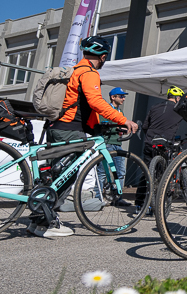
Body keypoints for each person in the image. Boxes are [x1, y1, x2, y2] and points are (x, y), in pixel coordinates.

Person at [36, 35, 140, 238]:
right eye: (105, 57)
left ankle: (39, 219)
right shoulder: (89, 73)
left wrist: (99, 127)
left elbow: (83, 107)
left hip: (59, 126)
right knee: (66, 175)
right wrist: (121, 119)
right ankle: (45, 221)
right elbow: (95, 102)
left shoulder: (75, 70)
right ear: (102, 56)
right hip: (68, 129)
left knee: (57, 173)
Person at [97, 87, 129, 184]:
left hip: (118, 144)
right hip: (107, 143)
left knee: (121, 172)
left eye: (124, 97)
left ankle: (118, 196)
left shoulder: (120, 112)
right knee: (102, 172)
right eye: (121, 96)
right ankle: (98, 197)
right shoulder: (106, 110)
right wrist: (118, 129)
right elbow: (102, 125)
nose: (123, 98)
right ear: (113, 97)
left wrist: (125, 130)